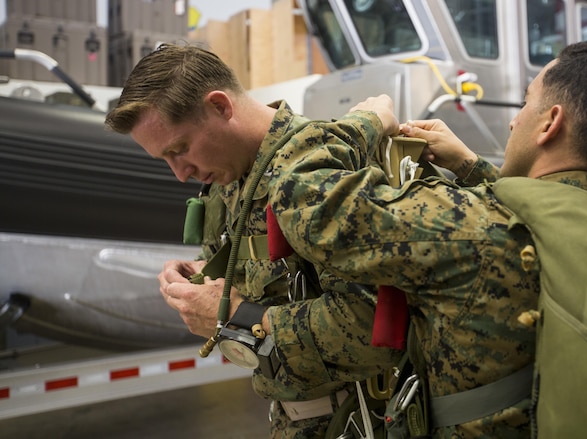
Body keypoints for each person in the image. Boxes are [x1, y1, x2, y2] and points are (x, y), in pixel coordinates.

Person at [264, 40, 587, 438]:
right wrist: (470, 165)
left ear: (550, 122)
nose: (513, 118)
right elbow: (532, 211)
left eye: (527, 102)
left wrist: (365, 122)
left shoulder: (468, 227)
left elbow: (307, 199)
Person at [103, 43, 402, 438]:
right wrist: (202, 280)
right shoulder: (233, 178)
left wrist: (235, 316)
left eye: (179, 150)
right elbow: (265, 273)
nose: (180, 174)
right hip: (293, 417)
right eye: (166, 159)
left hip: (356, 421)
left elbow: (374, 329)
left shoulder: (309, 173)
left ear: (220, 106)